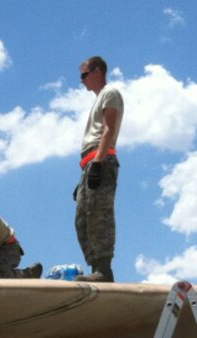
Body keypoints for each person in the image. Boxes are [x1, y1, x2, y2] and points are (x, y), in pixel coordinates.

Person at [74, 56, 124, 282]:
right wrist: (84, 175)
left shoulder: (110, 93)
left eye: (84, 75)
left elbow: (109, 130)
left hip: (100, 160)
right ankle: (96, 268)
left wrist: (97, 164)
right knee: (82, 220)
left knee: (98, 215)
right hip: (90, 164)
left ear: (97, 71)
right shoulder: (98, 99)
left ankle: (104, 270)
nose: (82, 81)